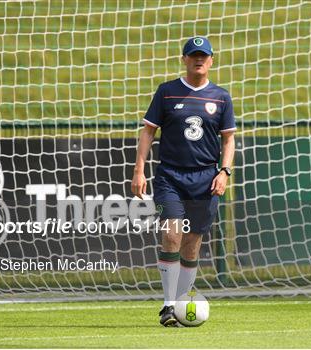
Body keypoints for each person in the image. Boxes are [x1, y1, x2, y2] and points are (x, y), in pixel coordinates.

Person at [131, 36, 236, 327]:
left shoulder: (221, 97)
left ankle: (180, 301)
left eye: (203, 55)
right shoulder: (166, 92)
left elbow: (229, 140)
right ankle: (167, 306)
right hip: (170, 178)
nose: (198, 59)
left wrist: (224, 172)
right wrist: (139, 170)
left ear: (212, 60)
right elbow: (148, 132)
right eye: (193, 55)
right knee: (171, 235)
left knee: (192, 244)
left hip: (205, 179)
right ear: (184, 59)